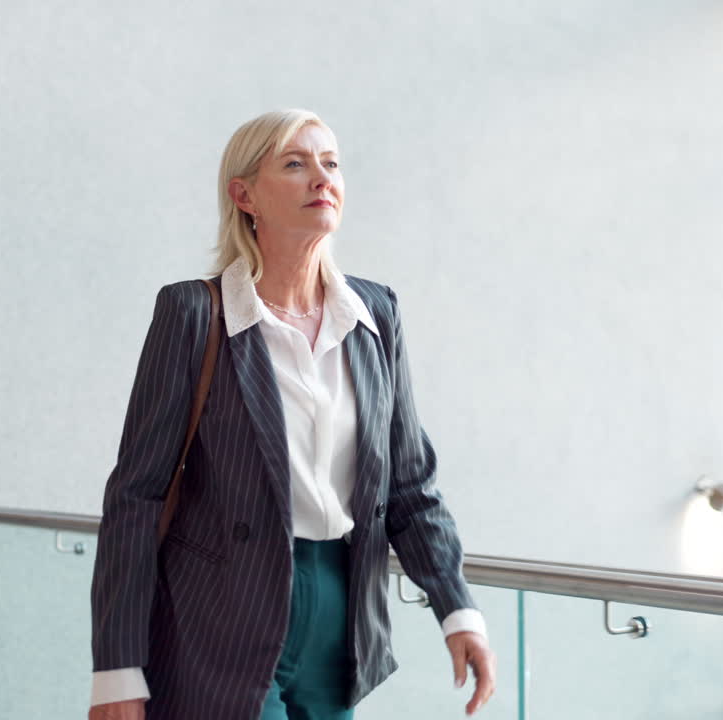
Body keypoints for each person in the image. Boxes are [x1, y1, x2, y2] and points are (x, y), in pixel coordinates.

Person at [89, 110, 495, 720]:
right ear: (244, 194)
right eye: (295, 164)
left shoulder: (375, 314)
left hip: (343, 610)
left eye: (331, 164)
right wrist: (117, 670)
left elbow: (410, 483)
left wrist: (457, 609)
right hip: (220, 613)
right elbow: (137, 497)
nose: (321, 179)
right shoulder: (194, 315)